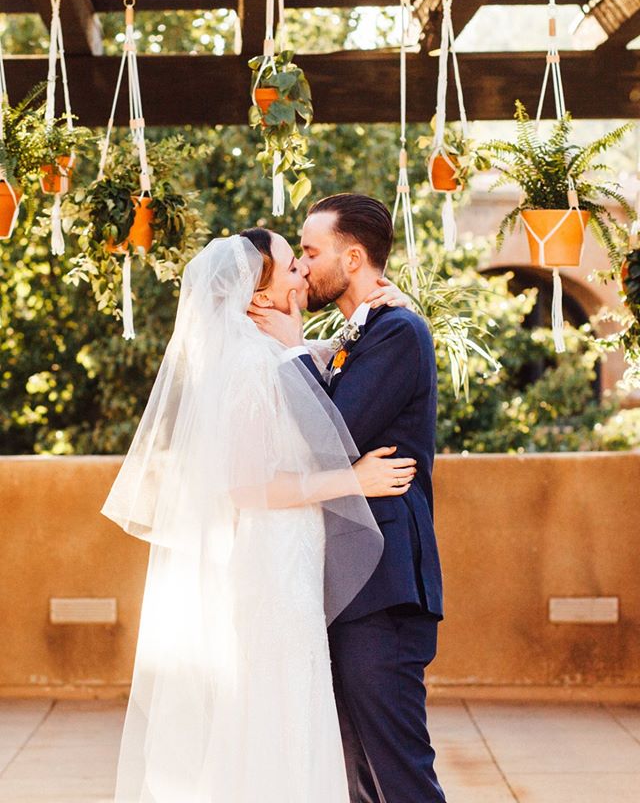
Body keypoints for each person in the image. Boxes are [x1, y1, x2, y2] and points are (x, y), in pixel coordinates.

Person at [101, 230, 415, 803]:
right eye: (293, 268)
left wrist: (377, 309)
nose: (303, 277)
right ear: (260, 294)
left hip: (289, 557)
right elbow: (247, 485)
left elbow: (325, 370)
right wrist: (353, 479)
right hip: (269, 562)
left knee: (290, 709)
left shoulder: (270, 352)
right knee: (273, 714)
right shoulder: (247, 366)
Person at [249, 194, 446, 803]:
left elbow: (330, 437)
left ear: (353, 256)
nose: (302, 267)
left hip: (384, 589)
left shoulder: (398, 332)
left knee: (399, 773)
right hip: (349, 588)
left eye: (310, 252)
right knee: (363, 778)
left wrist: (287, 348)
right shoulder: (357, 333)